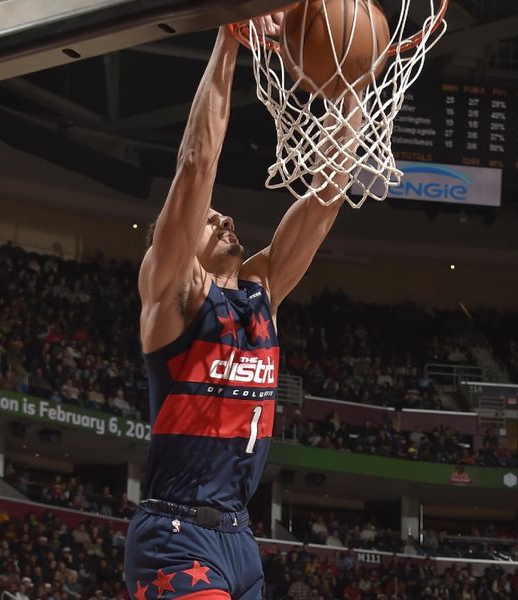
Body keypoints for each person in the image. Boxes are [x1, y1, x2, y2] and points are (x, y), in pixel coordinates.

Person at [124, 17, 360, 600]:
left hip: (241, 540)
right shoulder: (174, 294)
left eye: (225, 216)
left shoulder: (262, 291)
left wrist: (356, 84)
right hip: (174, 533)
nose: (226, 218)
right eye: (210, 218)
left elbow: (325, 199)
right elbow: (196, 165)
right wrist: (229, 41)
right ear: (176, 238)